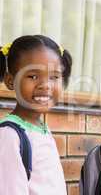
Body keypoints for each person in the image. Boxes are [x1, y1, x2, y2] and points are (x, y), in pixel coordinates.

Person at [0, 35, 72, 195]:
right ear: (10, 80)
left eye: (54, 77)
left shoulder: (41, 128)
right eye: (33, 76)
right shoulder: (10, 135)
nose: (45, 85)